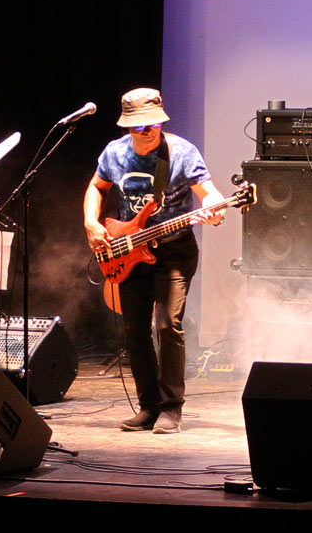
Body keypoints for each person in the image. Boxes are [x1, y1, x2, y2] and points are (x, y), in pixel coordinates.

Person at [84, 88, 225, 435]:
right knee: (135, 331)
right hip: (128, 247)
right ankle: (148, 406)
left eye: (152, 124)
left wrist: (217, 208)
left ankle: (172, 407)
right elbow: (97, 187)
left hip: (174, 250)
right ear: (127, 127)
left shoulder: (180, 152)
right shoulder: (114, 153)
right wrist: (91, 222)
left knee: (166, 325)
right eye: (138, 126)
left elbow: (208, 193)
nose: (147, 131)